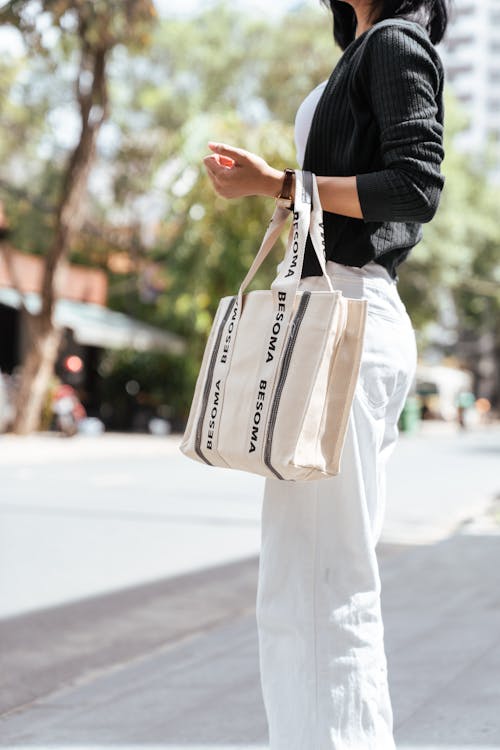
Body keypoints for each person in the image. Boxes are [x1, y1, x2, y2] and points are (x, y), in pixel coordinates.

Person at [203, 0, 449, 747]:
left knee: (322, 584)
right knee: (302, 584)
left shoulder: (395, 42)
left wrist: (277, 183)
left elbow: (414, 186)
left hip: (347, 315)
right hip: (335, 310)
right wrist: (279, 187)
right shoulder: (365, 47)